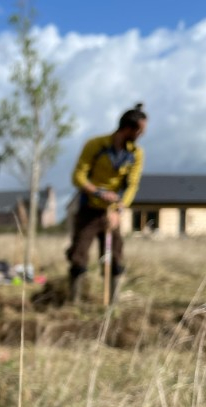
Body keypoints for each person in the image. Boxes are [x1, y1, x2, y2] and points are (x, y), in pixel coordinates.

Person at [67, 103, 147, 303]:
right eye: (140, 130)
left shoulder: (136, 154)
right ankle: (75, 300)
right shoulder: (95, 145)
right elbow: (78, 176)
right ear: (128, 128)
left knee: (115, 257)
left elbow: (132, 185)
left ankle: (113, 303)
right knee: (79, 255)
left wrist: (119, 210)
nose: (142, 135)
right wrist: (99, 192)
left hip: (112, 213)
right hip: (89, 209)